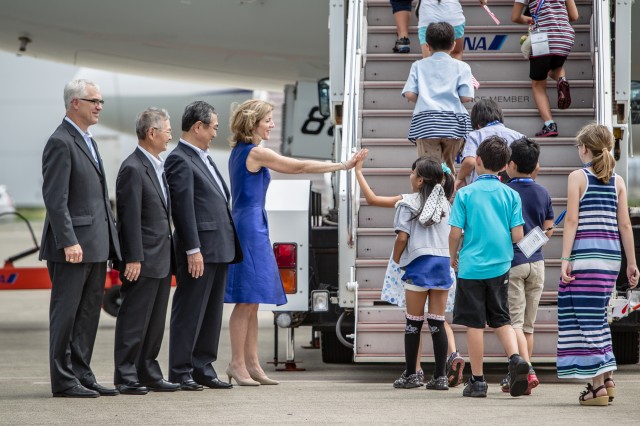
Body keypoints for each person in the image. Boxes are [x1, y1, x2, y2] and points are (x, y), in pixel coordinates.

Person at [224, 99, 365, 386]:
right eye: (268, 121)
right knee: (246, 300)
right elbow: (298, 167)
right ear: (253, 124)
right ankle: (237, 363)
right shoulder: (255, 153)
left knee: (251, 301)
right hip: (249, 226)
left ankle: (251, 364)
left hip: (250, 222)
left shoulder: (241, 152)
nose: (272, 125)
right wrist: (343, 165)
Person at [40, 79, 121, 398]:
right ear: (75, 103)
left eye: (101, 101)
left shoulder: (87, 140)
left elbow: (98, 198)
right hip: (72, 248)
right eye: (94, 101)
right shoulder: (60, 141)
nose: (99, 106)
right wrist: (69, 240)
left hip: (95, 244)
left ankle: (82, 373)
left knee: (88, 314)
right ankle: (63, 379)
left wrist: (110, 243)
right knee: (67, 313)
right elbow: (54, 198)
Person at [355, 154, 465, 388]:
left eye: (413, 172)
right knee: (437, 322)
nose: (410, 175)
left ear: (420, 181)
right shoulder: (447, 205)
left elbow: (402, 238)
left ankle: (411, 375)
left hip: (419, 266)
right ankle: (440, 377)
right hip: (443, 267)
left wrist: (396, 260)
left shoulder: (408, 203)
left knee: (413, 323)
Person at [557, 123, 639, 406]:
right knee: (600, 319)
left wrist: (565, 259)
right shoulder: (617, 181)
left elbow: (571, 221)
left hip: (585, 258)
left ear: (584, 149)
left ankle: (596, 387)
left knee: (586, 321)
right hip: (611, 259)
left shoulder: (577, 177)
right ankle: (607, 378)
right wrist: (632, 263)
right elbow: (625, 225)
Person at [164, 101, 242, 391]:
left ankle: (202, 366)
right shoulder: (180, 159)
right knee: (190, 309)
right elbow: (183, 211)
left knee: (210, 312)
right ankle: (181, 369)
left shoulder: (203, 157)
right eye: (213, 128)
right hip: (199, 250)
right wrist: (192, 249)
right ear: (198, 126)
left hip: (218, 247)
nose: (214, 134)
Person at [448, 136, 530, 398]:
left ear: (478, 161)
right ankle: (516, 359)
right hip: (501, 266)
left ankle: (478, 381)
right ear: (505, 166)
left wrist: (452, 257)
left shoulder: (465, 193)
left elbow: (455, 232)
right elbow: (518, 236)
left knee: (474, 324)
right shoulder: (511, 195)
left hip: (471, 267)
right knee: (501, 318)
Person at [113, 108, 180, 395]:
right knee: (134, 320)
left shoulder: (156, 166)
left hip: (162, 257)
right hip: (143, 259)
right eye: (166, 130)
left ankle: (149, 371)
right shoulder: (132, 168)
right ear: (151, 133)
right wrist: (133, 257)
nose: (170, 135)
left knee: (154, 322)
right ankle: (126, 375)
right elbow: (128, 218)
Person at [499, 137, 554, 395]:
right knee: (528, 327)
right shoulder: (543, 192)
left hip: (513, 263)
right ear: (535, 166)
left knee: (515, 324)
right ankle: (521, 379)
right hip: (537, 263)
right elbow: (549, 229)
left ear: (510, 165)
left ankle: (526, 371)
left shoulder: (507, 192)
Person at [403, 22, 474, 173]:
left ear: (427, 46)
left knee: (429, 169)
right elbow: (467, 97)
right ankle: (448, 193)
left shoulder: (418, 65)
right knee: (448, 166)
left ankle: (432, 194)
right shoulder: (462, 67)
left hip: (426, 123)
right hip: (454, 123)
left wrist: (424, 98)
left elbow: (409, 94)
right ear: (453, 45)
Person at [512, 0, 579, 137]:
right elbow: (574, 16)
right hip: (564, 36)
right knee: (556, 66)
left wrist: (530, 19)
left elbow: (515, 17)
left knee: (538, 83)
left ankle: (549, 125)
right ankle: (561, 79)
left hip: (542, 37)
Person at [455, 99, 525, 190]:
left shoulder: (476, 135)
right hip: (511, 189)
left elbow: (470, 161)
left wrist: (460, 177)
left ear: (477, 122)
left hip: (482, 190)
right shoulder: (518, 136)